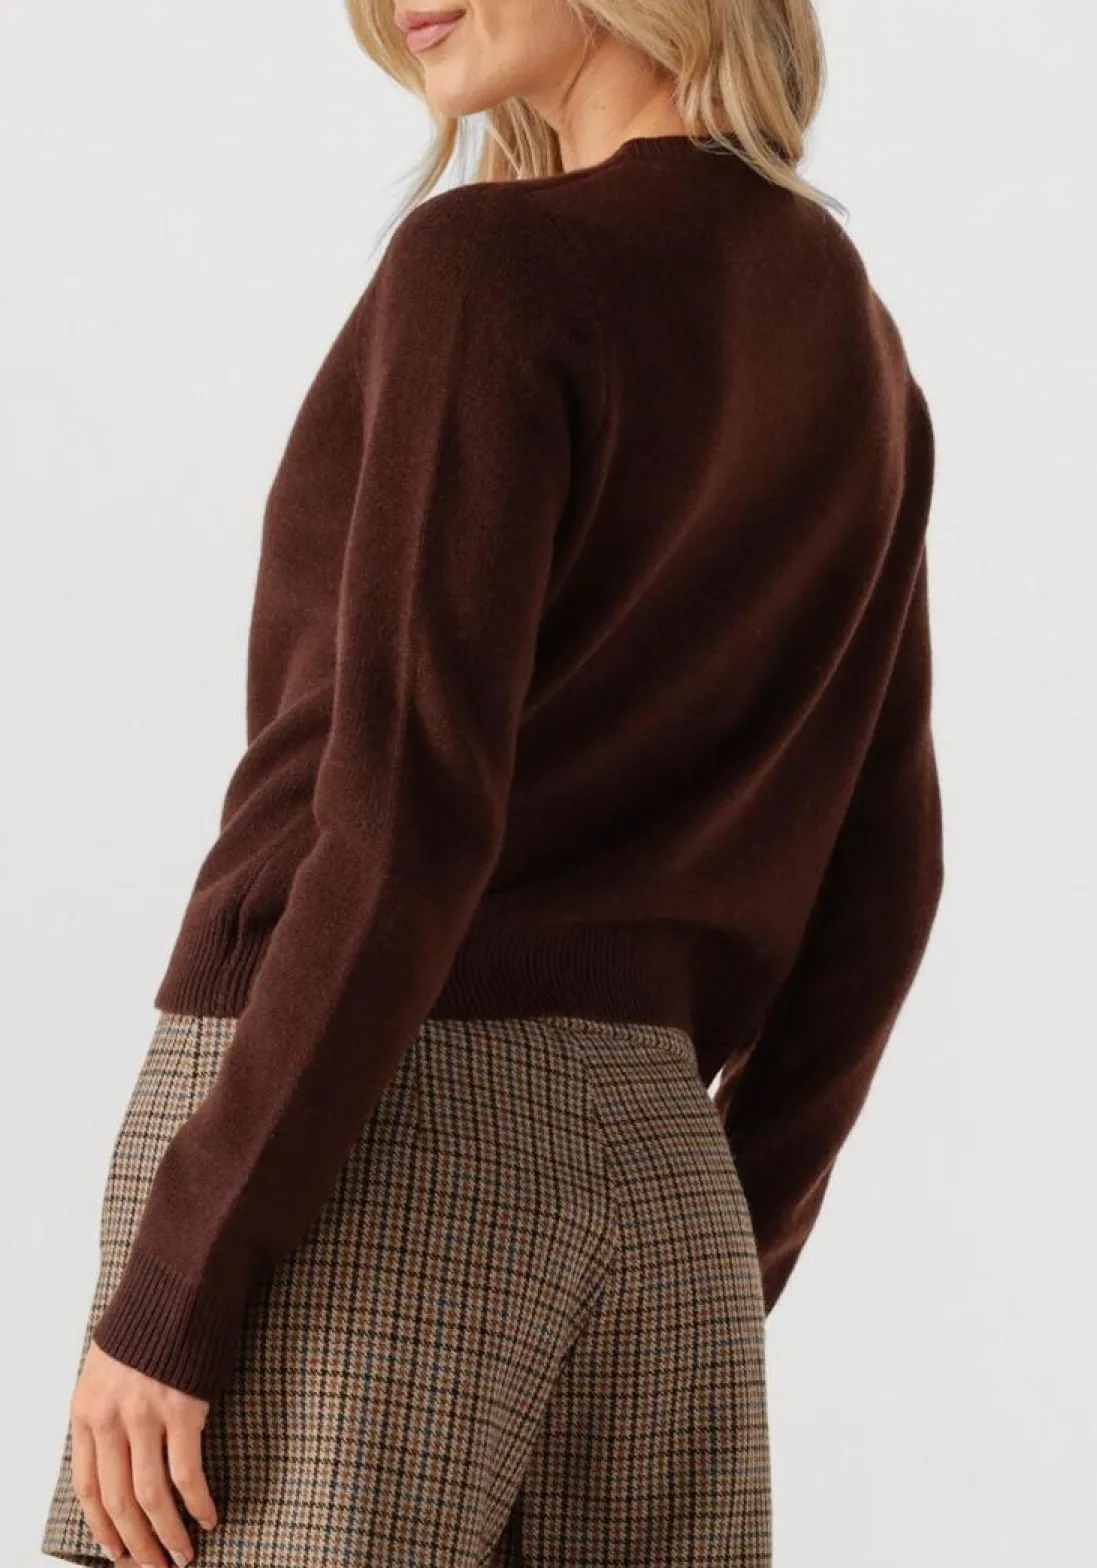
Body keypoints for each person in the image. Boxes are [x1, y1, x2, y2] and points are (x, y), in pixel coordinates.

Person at [40, 0, 944, 1563]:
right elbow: (889, 879)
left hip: (358, 1133)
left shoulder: (490, 267)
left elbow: (405, 820)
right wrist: (721, 1237)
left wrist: (187, 1272)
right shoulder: (856, 345)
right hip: (661, 1185)